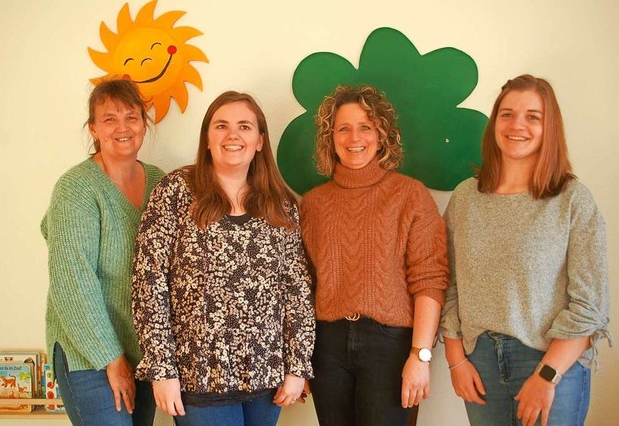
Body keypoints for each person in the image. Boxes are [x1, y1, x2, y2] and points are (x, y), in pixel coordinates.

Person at [131, 91, 315, 426]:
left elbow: (297, 291)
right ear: (207, 138)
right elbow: (149, 281)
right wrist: (162, 369)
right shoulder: (176, 191)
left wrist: (298, 367)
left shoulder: (280, 205)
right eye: (221, 126)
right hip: (198, 375)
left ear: (260, 141)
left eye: (245, 127)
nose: (233, 135)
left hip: (266, 378)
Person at [439, 74, 611, 426]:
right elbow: (449, 284)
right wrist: (456, 360)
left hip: (550, 362)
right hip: (480, 362)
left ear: (550, 128)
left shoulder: (572, 200)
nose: (518, 125)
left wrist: (547, 376)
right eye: (507, 114)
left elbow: (589, 304)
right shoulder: (465, 199)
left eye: (533, 116)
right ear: (494, 122)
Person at [300, 84, 449, 425]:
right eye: (343, 128)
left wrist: (420, 356)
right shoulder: (313, 204)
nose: (355, 137)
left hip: (391, 347)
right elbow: (301, 287)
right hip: (327, 346)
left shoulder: (410, 196)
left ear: (382, 135)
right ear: (330, 137)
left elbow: (430, 279)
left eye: (365, 127)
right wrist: (299, 359)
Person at [42, 78, 163, 425]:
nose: (122, 127)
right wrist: (111, 358)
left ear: (144, 124)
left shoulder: (160, 182)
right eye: (110, 119)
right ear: (94, 129)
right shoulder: (76, 188)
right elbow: (73, 282)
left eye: (132, 117)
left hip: (141, 354)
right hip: (89, 355)